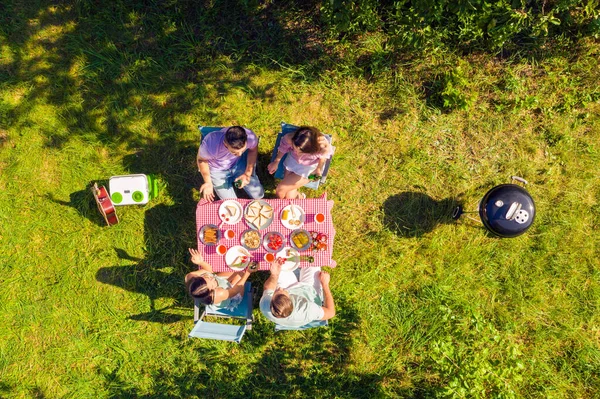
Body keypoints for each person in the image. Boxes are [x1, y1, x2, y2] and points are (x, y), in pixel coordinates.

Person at [259, 258, 336, 328]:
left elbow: (267, 287)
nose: (280, 288)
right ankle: (325, 260)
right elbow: (331, 312)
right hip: (310, 292)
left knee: (279, 264)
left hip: (289, 287)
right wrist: (325, 284)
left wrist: (274, 275)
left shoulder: (265, 305)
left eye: (276, 291)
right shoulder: (308, 310)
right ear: (291, 299)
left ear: (272, 300)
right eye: (280, 291)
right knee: (313, 260)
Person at [197, 126, 264, 201]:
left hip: (238, 164)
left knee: (259, 195)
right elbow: (201, 160)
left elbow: (253, 150)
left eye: (243, 150)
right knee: (231, 203)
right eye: (234, 152)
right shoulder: (211, 144)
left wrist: (247, 174)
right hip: (217, 170)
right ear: (225, 144)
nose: (240, 155)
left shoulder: (250, 136)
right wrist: (208, 182)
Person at [267, 126, 333, 199]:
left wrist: (318, 169)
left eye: (301, 152)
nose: (298, 153)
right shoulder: (290, 138)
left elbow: (323, 157)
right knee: (289, 196)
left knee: (280, 189)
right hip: (292, 162)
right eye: (295, 149)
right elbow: (283, 148)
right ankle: (301, 198)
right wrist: (276, 162)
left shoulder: (322, 146)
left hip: (311, 170)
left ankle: (281, 204)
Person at [185, 248, 255, 310]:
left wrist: (200, 262)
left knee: (237, 268)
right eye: (212, 285)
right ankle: (232, 285)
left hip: (222, 283)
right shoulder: (219, 294)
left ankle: (229, 282)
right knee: (242, 273)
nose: (212, 279)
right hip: (231, 296)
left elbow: (209, 271)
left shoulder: (191, 277)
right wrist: (248, 272)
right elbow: (235, 290)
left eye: (207, 277)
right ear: (212, 291)